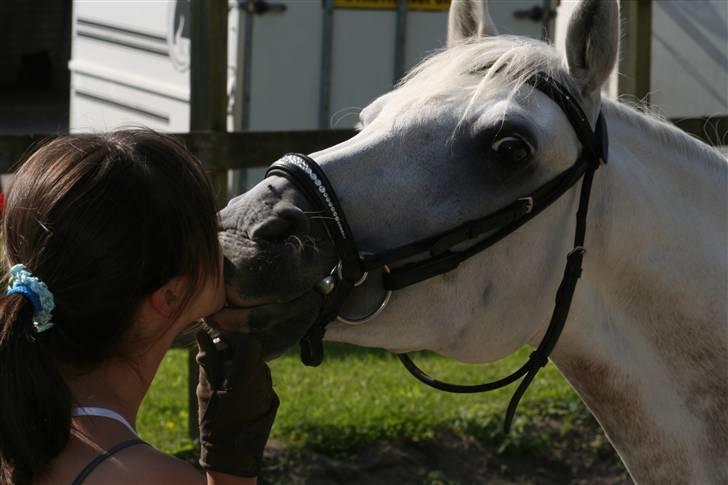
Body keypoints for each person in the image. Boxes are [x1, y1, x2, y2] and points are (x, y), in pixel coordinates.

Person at [0, 130, 278, 484]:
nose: (223, 238)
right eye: (211, 226)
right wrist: (231, 469)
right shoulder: (148, 477)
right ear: (171, 296)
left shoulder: (23, 430)